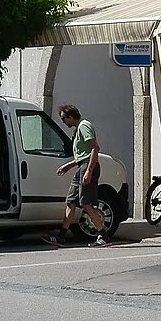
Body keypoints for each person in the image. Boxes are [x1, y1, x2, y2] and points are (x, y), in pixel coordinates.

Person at [46, 104, 110, 245]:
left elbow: (95, 148)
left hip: (87, 167)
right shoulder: (79, 128)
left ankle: (103, 236)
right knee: (71, 202)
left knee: (86, 204)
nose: (63, 121)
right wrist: (68, 165)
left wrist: (89, 171)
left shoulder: (84, 126)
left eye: (63, 118)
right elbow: (83, 154)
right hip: (82, 166)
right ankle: (61, 236)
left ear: (70, 116)